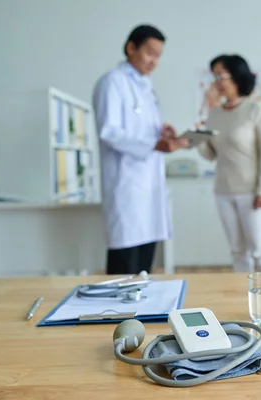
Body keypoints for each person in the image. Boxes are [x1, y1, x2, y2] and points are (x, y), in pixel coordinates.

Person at [92, 24, 189, 275]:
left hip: (148, 189)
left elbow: (140, 129)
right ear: (131, 48)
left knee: (144, 267)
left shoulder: (145, 87)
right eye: (149, 52)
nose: (154, 61)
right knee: (125, 267)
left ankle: (142, 313)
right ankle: (117, 315)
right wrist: (154, 143)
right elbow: (109, 132)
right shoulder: (112, 82)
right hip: (127, 188)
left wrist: (160, 132)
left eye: (158, 55)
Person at [197, 54, 261, 273]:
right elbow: (210, 154)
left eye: (219, 75)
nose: (215, 82)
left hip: (252, 193)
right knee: (237, 252)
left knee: (260, 250)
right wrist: (199, 134)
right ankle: (243, 298)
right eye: (214, 76)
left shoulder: (255, 110)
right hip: (223, 191)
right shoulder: (214, 114)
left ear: (236, 76)